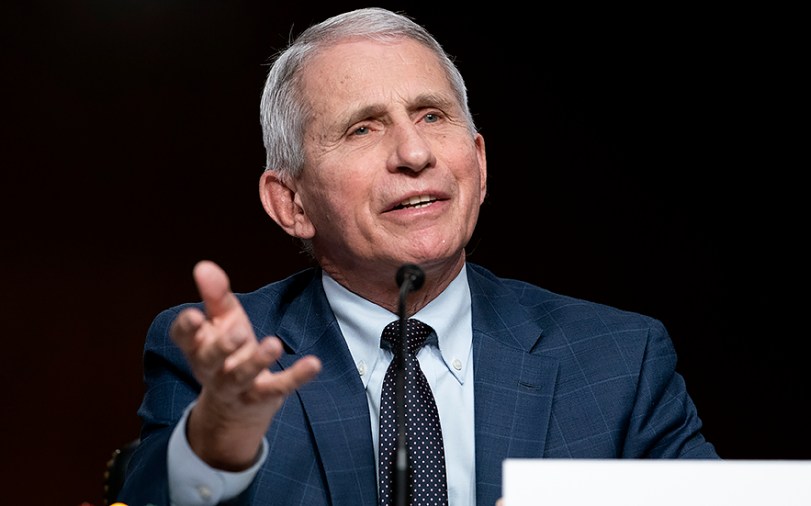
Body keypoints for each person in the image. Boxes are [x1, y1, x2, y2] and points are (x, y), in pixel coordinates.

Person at [118, 7, 718, 506]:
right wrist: (218, 440)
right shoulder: (220, 358)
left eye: (432, 116)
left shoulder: (619, 360)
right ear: (291, 202)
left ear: (478, 165)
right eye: (363, 129)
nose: (413, 152)